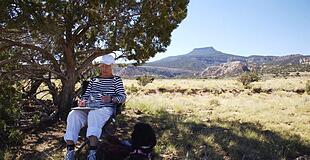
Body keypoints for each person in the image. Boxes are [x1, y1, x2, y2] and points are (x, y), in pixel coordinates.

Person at [64, 54, 126, 160]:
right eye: (102, 66)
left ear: (112, 66)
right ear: (100, 66)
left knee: (94, 114)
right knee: (73, 114)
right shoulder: (93, 80)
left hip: (105, 108)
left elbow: (122, 97)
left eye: (107, 66)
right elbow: (85, 96)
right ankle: (70, 151)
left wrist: (111, 98)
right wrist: (82, 101)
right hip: (89, 107)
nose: (104, 69)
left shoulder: (116, 80)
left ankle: (92, 152)